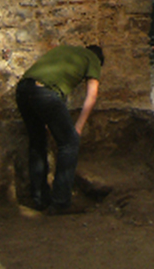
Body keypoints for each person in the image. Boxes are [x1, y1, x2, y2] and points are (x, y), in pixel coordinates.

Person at [15, 43, 104, 214]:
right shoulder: (93, 59)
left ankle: (40, 199)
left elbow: (51, 83)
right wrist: (78, 127)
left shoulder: (65, 50)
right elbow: (91, 96)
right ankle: (61, 202)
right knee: (70, 143)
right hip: (45, 94)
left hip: (23, 90)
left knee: (38, 142)